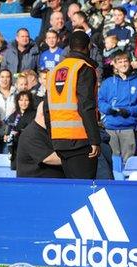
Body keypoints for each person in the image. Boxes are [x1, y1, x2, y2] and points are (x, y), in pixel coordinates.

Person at [45, 31, 101, 179]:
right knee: (86, 190)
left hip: (59, 140)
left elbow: (47, 109)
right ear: (88, 46)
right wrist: (94, 139)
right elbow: (86, 106)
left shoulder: (54, 70)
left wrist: (53, 138)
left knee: (73, 189)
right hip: (80, 139)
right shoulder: (83, 68)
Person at [98, 51, 137, 163]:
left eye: (125, 61)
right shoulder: (108, 83)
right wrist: (108, 109)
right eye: (119, 62)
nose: (123, 64)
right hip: (110, 128)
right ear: (115, 64)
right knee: (113, 162)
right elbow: (100, 101)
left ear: (130, 63)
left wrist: (130, 111)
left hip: (128, 128)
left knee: (128, 162)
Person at [17, 105, 65, 178]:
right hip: (36, 184)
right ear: (44, 115)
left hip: (52, 182)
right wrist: (73, 160)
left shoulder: (47, 131)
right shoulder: (30, 134)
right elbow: (48, 158)